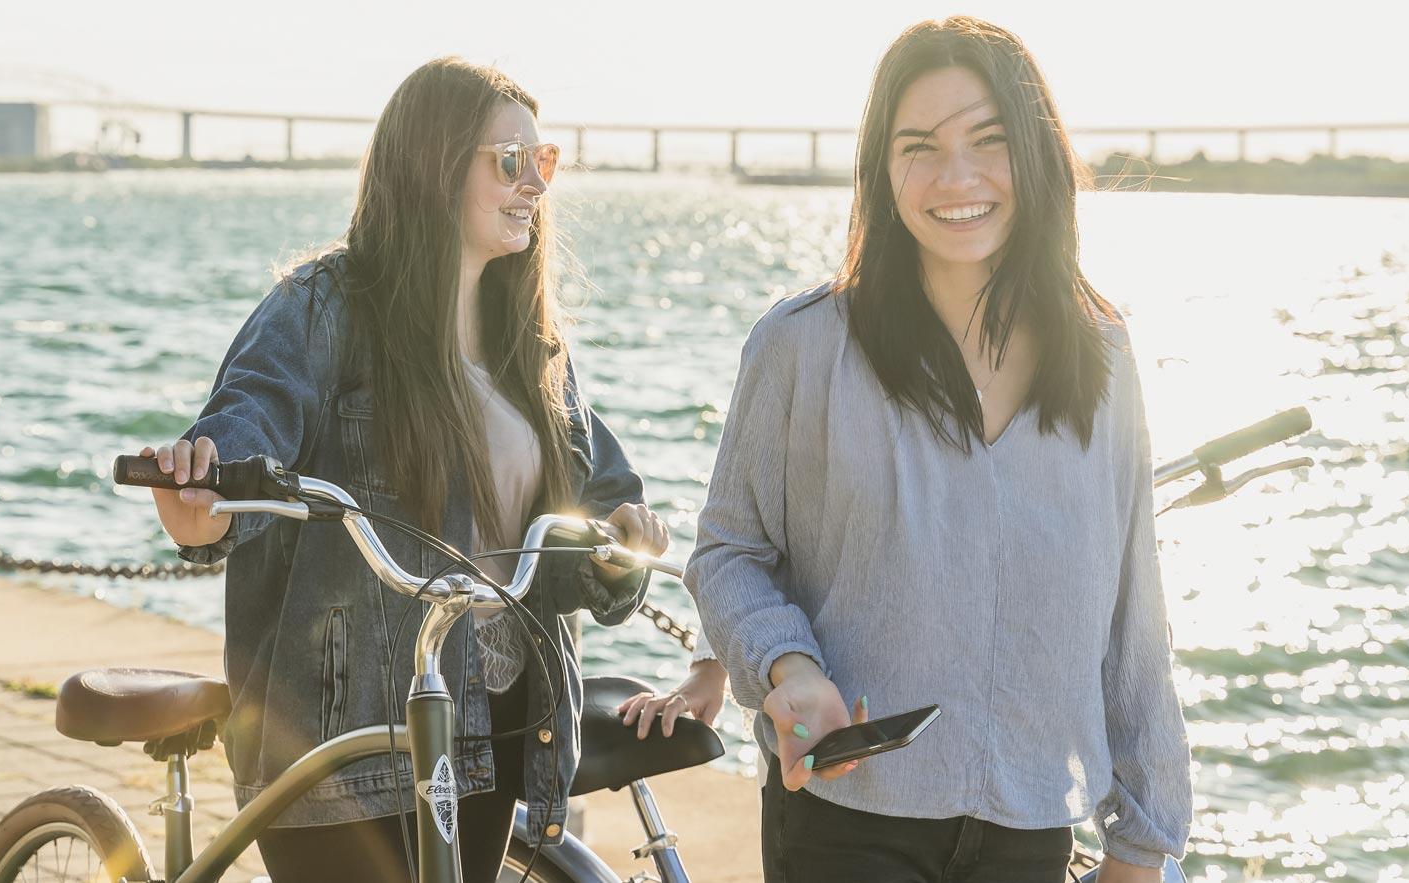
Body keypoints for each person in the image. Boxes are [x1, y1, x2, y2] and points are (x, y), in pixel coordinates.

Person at [685, 17, 1192, 883]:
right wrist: (789, 663)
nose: (955, 177)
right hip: (846, 824)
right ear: (882, 172)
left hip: (1033, 825)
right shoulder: (801, 346)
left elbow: (1132, 615)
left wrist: (1144, 842)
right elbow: (730, 552)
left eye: (987, 140)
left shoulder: (1101, 352)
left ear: (1034, 153)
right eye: (918, 146)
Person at [140, 57, 669, 883]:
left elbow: (603, 490)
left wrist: (624, 536)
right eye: (508, 161)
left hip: (490, 728)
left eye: (546, 161)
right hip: (341, 731)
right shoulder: (325, 306)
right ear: (432, 163)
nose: (534, 182)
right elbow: (245, 429)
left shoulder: (529, 344)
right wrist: (202, 492)